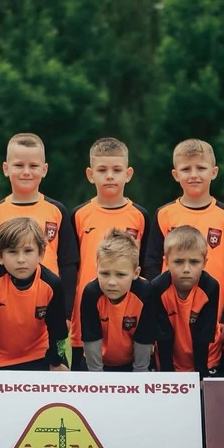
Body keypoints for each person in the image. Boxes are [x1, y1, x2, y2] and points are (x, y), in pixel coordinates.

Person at [142, 139, 224, 375]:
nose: (194, 175)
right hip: (170, 317)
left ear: (214, 172)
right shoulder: (164, 214)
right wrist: (157, 308)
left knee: (211, 386)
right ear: (175, 174)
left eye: (201, 168)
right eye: (186, 169)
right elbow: (152, 264)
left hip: (214, 318)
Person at [69, 138, 149, 371]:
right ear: (90, 174)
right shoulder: (79, 215)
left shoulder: (140, 216)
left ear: (128, 174)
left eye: (117, 170)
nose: (110, 176)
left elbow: (145, 268)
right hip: (87, 316)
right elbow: (72, 267)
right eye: (102, 170)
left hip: (129, 319)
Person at [0, 133, 79, 321]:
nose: (26, 172)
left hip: (47, 307)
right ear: (6, 168)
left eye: (33, 166)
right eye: (19, 165)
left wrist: (65, 313)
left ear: (44, 169)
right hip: (3, 308)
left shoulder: (57, 211)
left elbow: (68, 265)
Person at [0, 218, 69, 371]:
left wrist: (56, 362)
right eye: (12, 252)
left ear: (41, 254)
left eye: (28, 251)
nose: (21, 260)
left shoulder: (52, 284)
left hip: (39, 354)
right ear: (0, 256)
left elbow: (58, 329)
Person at [146, 226, 220, 377]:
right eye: (179, 262)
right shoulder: (157, 288)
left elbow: (204, 334)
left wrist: (201, 374)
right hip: (170, 359)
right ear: (166, 262)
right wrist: (168, 374)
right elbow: (163, 335)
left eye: (194, 262)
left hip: (207, 358)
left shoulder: (211, 287)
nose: (186, 269)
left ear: (205, 262)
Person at [79, 230, 153, 372]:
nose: (112, 282)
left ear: (136, 273)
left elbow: (144, 339)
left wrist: (139, 376)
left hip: (132, 364)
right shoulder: (91, 293)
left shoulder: (145, 292)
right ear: (97, 269)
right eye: (105, 273)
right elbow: (91, 338)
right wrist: (97, 377)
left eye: (120, 275)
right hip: (96, 365)